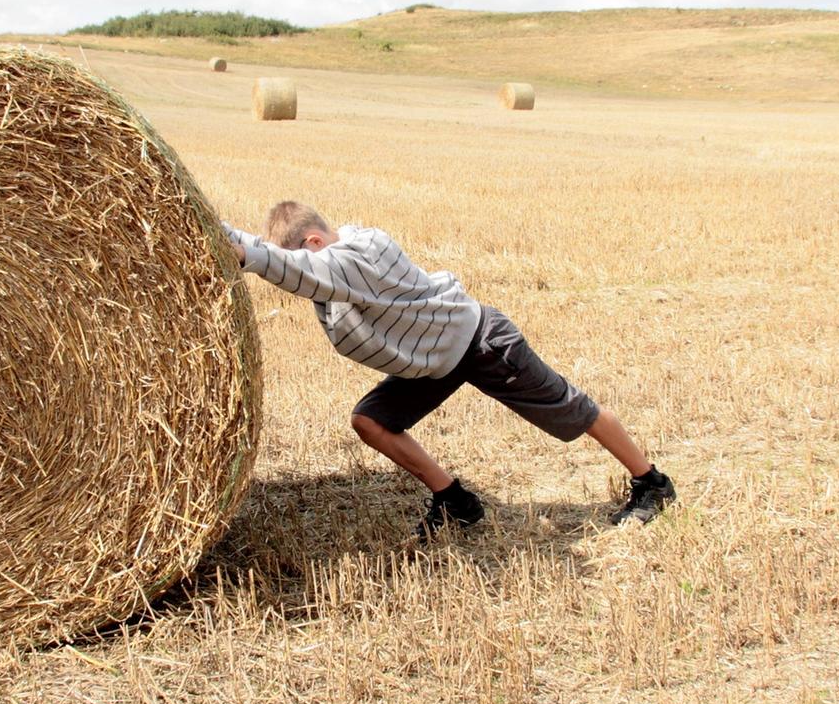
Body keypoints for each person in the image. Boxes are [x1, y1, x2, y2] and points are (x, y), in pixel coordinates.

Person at [221, 201, 676, 538]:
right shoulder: (331, 265)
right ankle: (456, 501)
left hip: (480, 343)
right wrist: (210, 229)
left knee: (569, 408)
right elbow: (274, 255)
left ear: (315, 243)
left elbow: (287, 267)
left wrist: (251, 259)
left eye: (306, 257)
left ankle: (651, 483)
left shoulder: (360, 251)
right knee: (371, 420)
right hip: (433, 366)